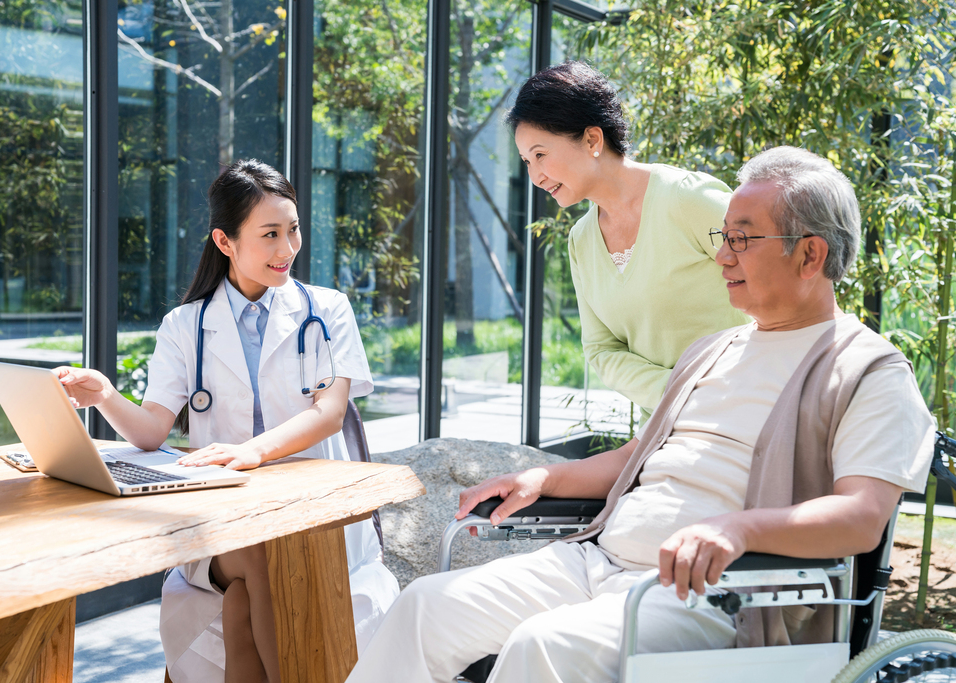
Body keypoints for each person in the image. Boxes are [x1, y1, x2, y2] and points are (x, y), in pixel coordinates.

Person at [344, 147, 935, 683]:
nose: (721, 254)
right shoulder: (717, 348)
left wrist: (738, 529)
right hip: (597, 560)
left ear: (810, 254)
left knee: (544, 646)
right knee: (424, 607)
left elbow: (861, 517)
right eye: (722, 235)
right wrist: (547, 478)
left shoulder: (866, 370)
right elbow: (639, 457)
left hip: (721, 597)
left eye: (741, 239)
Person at [54, 160, 399, 683]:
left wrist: (253, 452)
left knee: (242, 605)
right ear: (225, 240)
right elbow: (150, 431)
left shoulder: (326, 310)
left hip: (313, 516)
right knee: (260, 553)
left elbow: (328, 414)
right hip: (222, 524)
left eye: (293, 230)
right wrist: (104, 394)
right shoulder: (185, 325)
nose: (287, 249)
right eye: (270, 235)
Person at [510, 61, 749, 419]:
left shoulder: (689, 200)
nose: (535, 176)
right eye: (527, 161)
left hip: (747, 408)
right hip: (667, 425)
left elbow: (782, 286)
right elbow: (601, 349)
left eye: (540, 155)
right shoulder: (581, 240)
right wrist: (680, 395)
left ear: (592, 139)